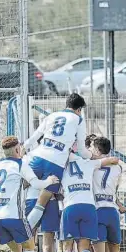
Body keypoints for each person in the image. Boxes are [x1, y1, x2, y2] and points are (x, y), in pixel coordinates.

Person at [23, 94, 92, 231]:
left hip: (37, 157)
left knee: (22, 186)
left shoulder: (52, 115)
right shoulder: (78, 119)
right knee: (42, 203)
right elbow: (82, 150)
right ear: (79, 109)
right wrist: (92, 156)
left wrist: (22, 149)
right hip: (55, 163)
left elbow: (34, 137)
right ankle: (25, 229)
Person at [59, 147, 120, 252]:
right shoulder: (88, 163)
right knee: (84, 247)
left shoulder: (61, 164)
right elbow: (113, 160)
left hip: (70, 206)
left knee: (67, 247)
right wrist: (94, 157)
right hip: (89, 207)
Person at [91, 136, 125, 252]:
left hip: (97, 210)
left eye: (92, 147)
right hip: (112, 210)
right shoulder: (118, 168)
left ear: (97, 150)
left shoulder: (92, 166)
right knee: (115, 251)